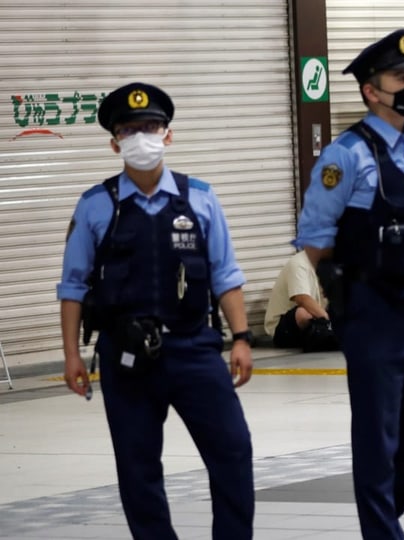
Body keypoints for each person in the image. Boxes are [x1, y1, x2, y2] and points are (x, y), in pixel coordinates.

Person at [57, 82, 255, 539]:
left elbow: (226, 274)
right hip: (125, 359)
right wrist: (70, 355)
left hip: (193, 349)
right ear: (114, 143)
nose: (141, 138)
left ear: (167, 135)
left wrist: (241, 338)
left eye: (150, 127)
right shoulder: (95, 206)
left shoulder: (201, 198)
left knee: (232, 450)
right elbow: (72, 286)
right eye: (129, 130)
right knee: (138, 467)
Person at [294, 29, 404, 539]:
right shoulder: (346, 155)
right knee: (377, 433)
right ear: (371, 89)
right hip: (376, 310)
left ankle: (388, 516)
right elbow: (315, 238)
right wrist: (345, 297)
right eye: (400, 77)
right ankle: (383, 532)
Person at [263, 250, 337, 351]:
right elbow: (302, 298)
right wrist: (329, 322)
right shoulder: (299, 263)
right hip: (283, 329)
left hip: (318, 320)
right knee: (303, 313)